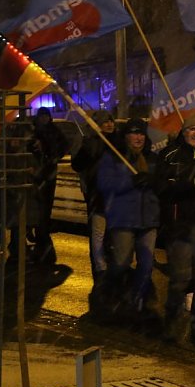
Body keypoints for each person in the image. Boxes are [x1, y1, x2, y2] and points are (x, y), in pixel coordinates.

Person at [154, 113, 195, 347]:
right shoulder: (170, 156)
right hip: (180, 229)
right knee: (180, 280)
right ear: (184, 132)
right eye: (192, 129)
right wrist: (191, 185)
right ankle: (171, 324)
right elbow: (162, 189)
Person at [96, 118, 159, 314]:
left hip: (148, 219)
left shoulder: (152, 158)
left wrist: (154, 181)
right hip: (123, 219)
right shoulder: (114, 157)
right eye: (133, 133)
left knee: (147, 264)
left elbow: (162, 184)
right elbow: (105, 185)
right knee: (122, 262)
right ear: (125, 136)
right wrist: (131, 181)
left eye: (141, 133)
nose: (138, 137)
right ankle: (110, 289)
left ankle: (137, 299)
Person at [71, 110, 116, 291]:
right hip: (98, 197)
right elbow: (78, 164)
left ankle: (111, 271)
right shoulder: (90, 142)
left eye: (111, 121)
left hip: (116, 199)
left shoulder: (117, 142)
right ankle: (100, 272)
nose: (109, 125)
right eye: (105, 122)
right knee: (98, 236)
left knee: (113, 238)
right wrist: (89, 148)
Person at [28, 107, 69, 264]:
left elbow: (64, 145)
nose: (44, 119)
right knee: (37, 213)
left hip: (48, 175)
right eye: (42, 116)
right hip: (35, 175)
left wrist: (54, 157)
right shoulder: (33, 131)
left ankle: (44, 249)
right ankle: (42, 247)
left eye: (47, 116)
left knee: (43, 214)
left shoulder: (54, 131)